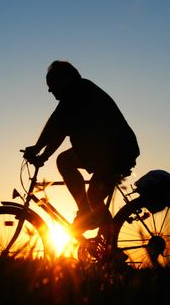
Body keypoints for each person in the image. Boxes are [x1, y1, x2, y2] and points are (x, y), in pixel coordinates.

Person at [24, 60, 140, 235]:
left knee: (91, 193)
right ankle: (111, 249)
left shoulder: (78, 89)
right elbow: (60, 130)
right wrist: (43, 155)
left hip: (116, 151)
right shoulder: (77, 95)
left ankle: (86, 214)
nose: (49, 89)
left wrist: (37, 147)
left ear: (64, 79)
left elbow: (55, 123)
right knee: (68, 165)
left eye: (51, 84)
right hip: (106, 151)